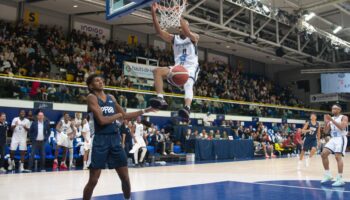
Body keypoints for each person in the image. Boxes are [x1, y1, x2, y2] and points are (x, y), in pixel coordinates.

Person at [83, 74, 157, 200]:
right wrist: (118, 116)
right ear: (91, 85)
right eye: (97, 80)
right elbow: (101, 120)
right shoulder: (91, 97)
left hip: (115, 139)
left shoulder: (111, 97)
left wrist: (146, 110)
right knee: (93, 180)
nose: (100, 81)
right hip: (100, 139)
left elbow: (125, 115)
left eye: (101, 79)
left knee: (125, 178)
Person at [149, 2, 200, 120]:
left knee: (188, 84)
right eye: (181, 26)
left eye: (185, 26)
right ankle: (160, 97)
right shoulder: (174, 39)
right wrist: (153, 14)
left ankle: (187, 108)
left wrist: (179, 15)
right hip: (177, 68)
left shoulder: (194, 37)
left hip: (191, 67)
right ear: (178, 28)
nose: (182, 27)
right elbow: (159, 32)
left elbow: (187, 31)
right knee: (157, 71)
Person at [321, 104, 348, 187]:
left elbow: (342, 128)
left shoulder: (344, 117)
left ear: (339, 110)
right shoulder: (331, 119)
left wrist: (331, 120)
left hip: (341, 138)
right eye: (332, 108)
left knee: (337, 157)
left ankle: (340, 178)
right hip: (333, 138)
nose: (333, 110)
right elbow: (325, 132)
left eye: (335, 108)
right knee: (323, 154)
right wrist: (326, 123)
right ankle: (328, 174)